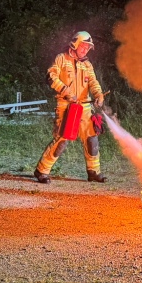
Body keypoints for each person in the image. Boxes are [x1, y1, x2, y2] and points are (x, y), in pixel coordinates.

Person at [34, 31, 107, 184]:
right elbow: (51, 76)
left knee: (92, 139)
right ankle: (42, 170)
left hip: (84, 107)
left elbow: (93, 82)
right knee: (62, 140)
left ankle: (93, 172)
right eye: (83, 46)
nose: (86, 50)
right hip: (66, 106)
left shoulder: (87, 64)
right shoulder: (61, 59)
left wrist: (99, 94)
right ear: (75, 43)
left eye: (88, 48)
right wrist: (66, 91)